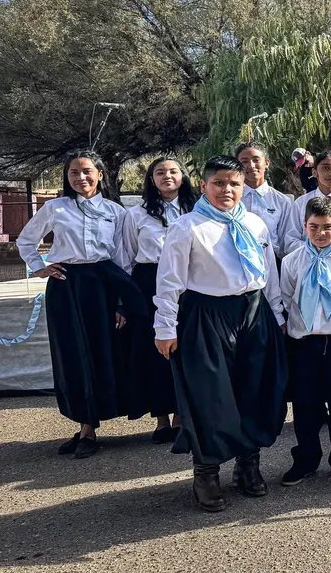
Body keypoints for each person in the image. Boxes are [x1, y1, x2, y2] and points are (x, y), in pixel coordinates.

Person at [154, 155, 287, 513]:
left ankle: (248, 464)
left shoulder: (255, 223)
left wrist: (276, 315)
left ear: (243, 187)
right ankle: (207, 473)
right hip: (207, 314)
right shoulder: (187, 226)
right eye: (219, 183)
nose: (226, 189)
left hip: (254, 311)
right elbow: (169, 281)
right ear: (203, 186)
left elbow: (268, 273)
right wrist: (165, 326)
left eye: (234, 183)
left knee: (254, 389)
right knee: (210, 396)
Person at [16, 150, 146, 459]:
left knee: (101, 352)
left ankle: (91, 425)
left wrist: (120, 303)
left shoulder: (116, 212)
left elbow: (123, 258)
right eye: (74, 172)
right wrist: (39, 266)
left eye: (87, 171)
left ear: (100, 174)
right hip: (67, 285)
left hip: (103, 285)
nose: (81, 177)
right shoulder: (55, 208)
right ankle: (86, 425)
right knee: (72, 353)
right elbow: (25, 240)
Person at [279, 196, 331, 486]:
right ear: (305, 225)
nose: (320, 233)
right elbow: (287, 299)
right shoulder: (291, 261)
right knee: (305, 404)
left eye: (328, 227)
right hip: (303, 342)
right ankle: (306, 458)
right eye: (314, 227)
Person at [122, 156, 196, 445]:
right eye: (160, 172)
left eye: (173, 171)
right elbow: (126, 256)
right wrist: (123, 301)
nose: (167, 176)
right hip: (148, 282)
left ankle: (181, 416)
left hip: (188, 282)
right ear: (151, 180)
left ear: (183, 176)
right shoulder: (136, 214)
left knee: (185, 348)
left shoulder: (197, 210)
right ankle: (161, 418)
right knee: (155, 350)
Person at [236, 142, 294, 264]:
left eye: (256, 160)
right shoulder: (232, 199)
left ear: (266, 163)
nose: (251, 165)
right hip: (237, 261)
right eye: (244, 162)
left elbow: (286, 239)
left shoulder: (282, 201)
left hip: (272, 261)